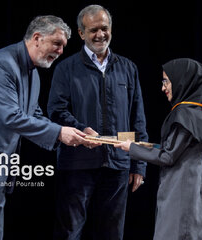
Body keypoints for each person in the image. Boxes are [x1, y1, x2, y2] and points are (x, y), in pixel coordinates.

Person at [0, 15, 90, 240]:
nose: (60, 51)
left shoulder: (33, 74)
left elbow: (34, 115)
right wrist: (60, 133)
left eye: (63, 47)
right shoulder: (2, 64)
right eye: (57, 44)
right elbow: (13, 117)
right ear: (37, 38)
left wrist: (74, 133)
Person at [47, 4, 148, 240]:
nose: (100, 35)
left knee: (112, 233)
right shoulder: (66, 69)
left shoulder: (128, 68)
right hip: (76, 165)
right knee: (69, 232)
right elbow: (56, 111)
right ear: (81, 33)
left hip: (118, 165)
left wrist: (139, 164)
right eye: (93, 30)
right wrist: (82, 130)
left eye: (104, 28)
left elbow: (137, 117)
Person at [115, 58, 202, 240]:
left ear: (182, 80)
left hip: (180, 193)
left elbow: (167, 157)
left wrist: (131, 148)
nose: (163, 88)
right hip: (185, 189)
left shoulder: (185, 114)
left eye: (166, 81)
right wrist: (142, 146)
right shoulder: (195, 113)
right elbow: (174, 150)